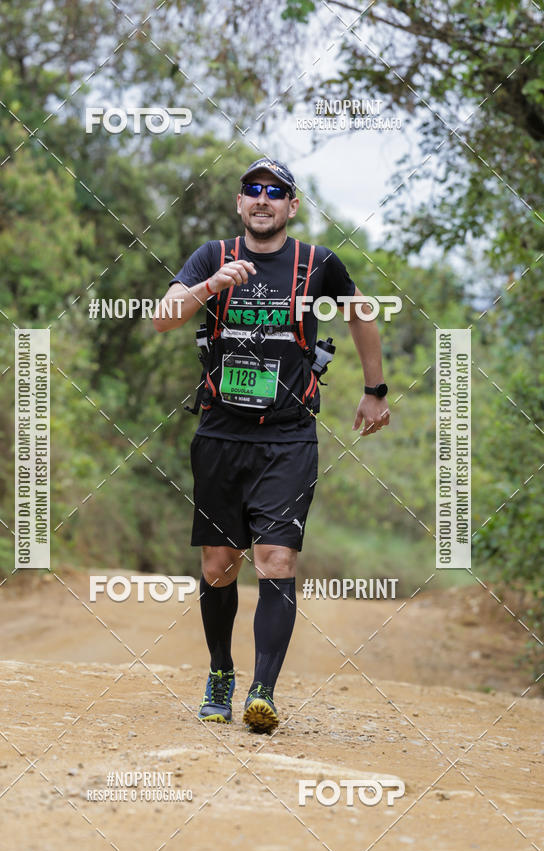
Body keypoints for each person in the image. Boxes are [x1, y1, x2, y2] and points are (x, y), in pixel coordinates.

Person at [153, 158, 390, 733]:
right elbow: (163, 318)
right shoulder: (212, 256)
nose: (263, 200)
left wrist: (374, 389)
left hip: (287, 436)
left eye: (275, 192)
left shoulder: (317, 264)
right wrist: (210, 286)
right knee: (218, 565)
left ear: (291, 206)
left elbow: (362, 313)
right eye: (253, 191)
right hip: (219, 432)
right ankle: (219, 676)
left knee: (276, 559)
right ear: (240, 204)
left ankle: (263, 690)